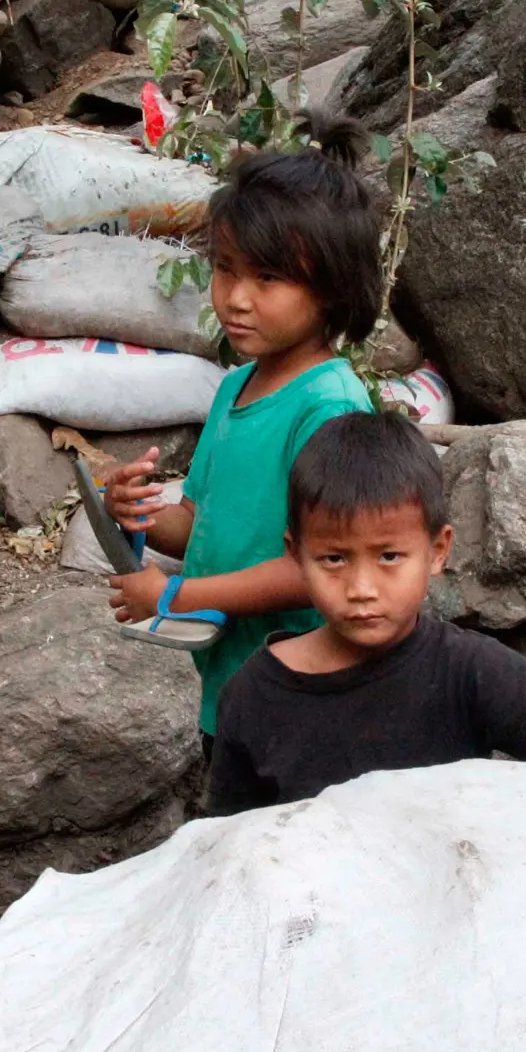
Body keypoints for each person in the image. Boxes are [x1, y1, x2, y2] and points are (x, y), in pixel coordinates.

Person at [205, 413, 526, 814]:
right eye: (334, 559)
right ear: (297, 555)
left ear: (438, 551)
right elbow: (230, 846)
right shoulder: (253, 696)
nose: (362, 590)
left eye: (389, 556)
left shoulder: (468, 667)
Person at [103, 117, 384, 744]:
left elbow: (319, 566)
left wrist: (175, 595)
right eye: (226, 269)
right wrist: (140, 514)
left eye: (268, 278)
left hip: (302, 688)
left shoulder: (330, 406)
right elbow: (204, 525)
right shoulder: (236, 386)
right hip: (234, 676)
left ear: (334, 289)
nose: (236, 297)